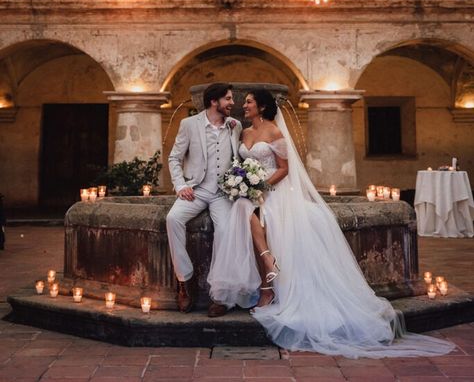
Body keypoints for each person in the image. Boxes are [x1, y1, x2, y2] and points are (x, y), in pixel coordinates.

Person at [207, 88, 455, 358]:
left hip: (274, 191)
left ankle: (267, 286)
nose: (245, 105)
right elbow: (239, 162)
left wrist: (261, 185)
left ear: (263, 107)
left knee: (250, 211)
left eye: (250, 102)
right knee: (242, 207)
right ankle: (269, 264)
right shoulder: (242, 132)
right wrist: (244, 184)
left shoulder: (275, 132)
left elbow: (284, 168)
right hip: (252, 193)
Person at [166, 82, 242, 317]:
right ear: (214, 101)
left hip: (223, 193)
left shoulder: (235, 126)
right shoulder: (189, 124)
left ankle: (220, 295)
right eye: (228, 99)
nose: (232, 103)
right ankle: (184, 281)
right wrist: (181, 185)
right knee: (172, 219)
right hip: (196, 189)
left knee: (227, 231)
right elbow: (174, 158)